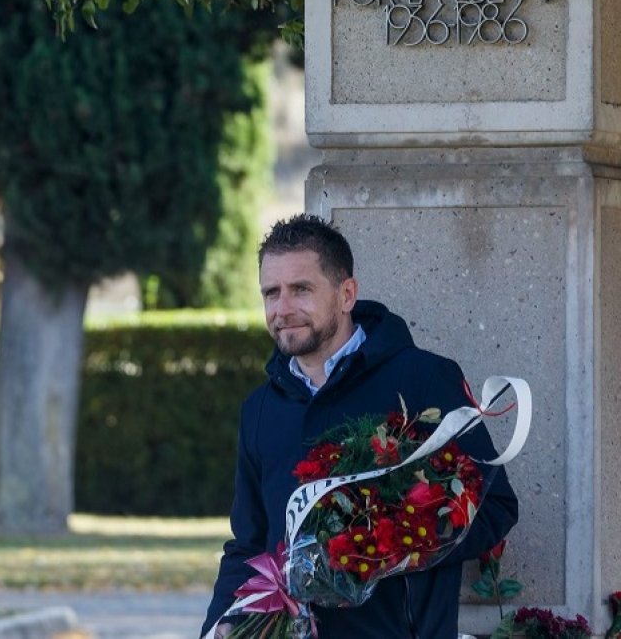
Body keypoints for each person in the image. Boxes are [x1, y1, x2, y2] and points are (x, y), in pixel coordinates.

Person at [202, 214, 518, 639]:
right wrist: (214, 628)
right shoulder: (259, 409)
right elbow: (248, 545)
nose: (282, 309)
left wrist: (394, 544)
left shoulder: (423, 379)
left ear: (347, 293)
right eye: (271, 293)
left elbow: (496, 507)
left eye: (301, 289)